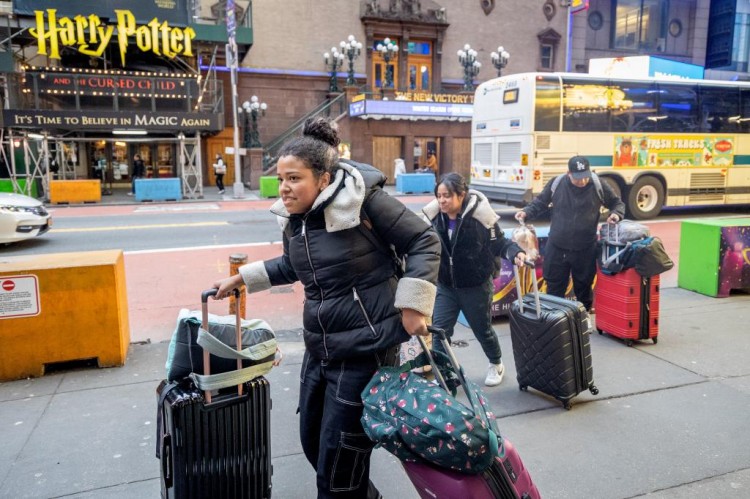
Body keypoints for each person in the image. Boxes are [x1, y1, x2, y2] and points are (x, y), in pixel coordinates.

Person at [212, 117, 440, 499]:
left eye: (294, 178)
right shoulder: (296, 219)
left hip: (367, 347)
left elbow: (424, 240)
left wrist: (414, 306)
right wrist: (244, 278)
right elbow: (292, 265)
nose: (284, 188)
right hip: (322, 348)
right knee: (314, 443)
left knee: (339, 466)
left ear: (323, 178)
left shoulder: (364, 200)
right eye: (281, 179)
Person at [423, 173, 526, 387]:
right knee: (439, 331)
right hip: (446, 285)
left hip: (476, 285)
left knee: (482, 330)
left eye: (447, 196)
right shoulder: (433, 216)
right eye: (439, 196)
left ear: (461, 195)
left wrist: (515, 252)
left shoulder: (481, 216)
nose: (442, 200)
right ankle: (445, 372)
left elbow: (500, 243)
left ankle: (496, 363)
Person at [515, 156, 626, 312]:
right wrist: (526, 212)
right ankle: (555, 320)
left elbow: (617, 203)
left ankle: (584, 317)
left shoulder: (597, 184)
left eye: (585, 177)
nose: (582, 181)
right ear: (568, 173)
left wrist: (616, 214)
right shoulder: (557, 183)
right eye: (577, 178)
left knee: (584, 285)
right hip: (557, 245)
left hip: (585, 247)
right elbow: (540, 202)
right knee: (554, 285)